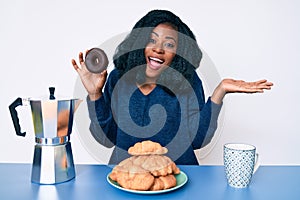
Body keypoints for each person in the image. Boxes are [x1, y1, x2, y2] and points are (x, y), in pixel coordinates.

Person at [71, 10, 273, 165]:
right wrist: (95, 94)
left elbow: (197, 141)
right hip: (126, 178)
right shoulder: (119, 78)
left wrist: (219, 94)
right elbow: (106, 139)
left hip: (179, 176)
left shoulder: (188, 81)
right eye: (152, 40)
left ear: (179, 52)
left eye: (169, 44)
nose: (158, 48)